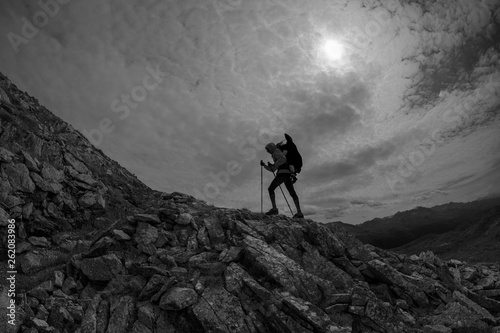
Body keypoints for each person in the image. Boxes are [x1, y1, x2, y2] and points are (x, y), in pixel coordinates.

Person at [260, 142, 304, 218]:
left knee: (271, 189)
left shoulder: (276, 151)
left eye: (268, 149)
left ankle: (274, 209)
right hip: (287, 175)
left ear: (271, 147)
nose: (268, 151)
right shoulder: (275, 155)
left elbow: (283, 159)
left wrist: (274, 164)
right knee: (292, 193)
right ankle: (299, 212)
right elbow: (273, 169)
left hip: (282, 174)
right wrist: (265, 166)